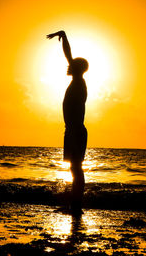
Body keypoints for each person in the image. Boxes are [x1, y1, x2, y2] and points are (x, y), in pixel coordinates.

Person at [47, 30, 88, 214]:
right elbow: (69, 57)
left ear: (77, 68)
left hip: (76, 131)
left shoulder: (79, 81)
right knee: (74, 168)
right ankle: (74, 203)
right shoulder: (77, 81)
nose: (67, 66)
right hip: (71, 130)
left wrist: (63, 35)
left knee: (76, 168)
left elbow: (68, 55)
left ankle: (77, 205)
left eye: (72, 65)